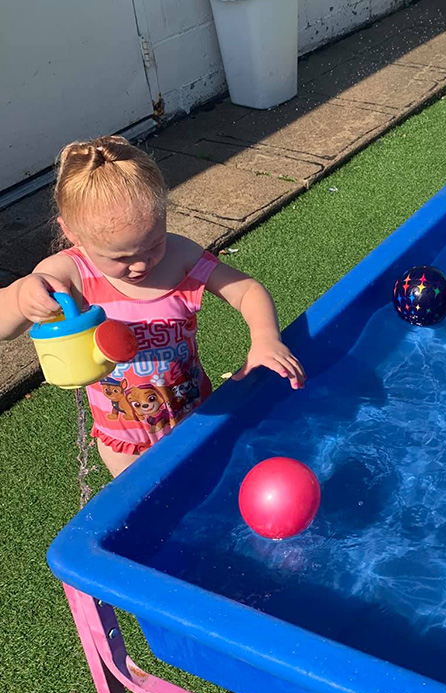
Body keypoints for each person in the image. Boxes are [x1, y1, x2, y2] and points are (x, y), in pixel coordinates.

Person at [0, 136, 305, 476]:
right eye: (121, 257)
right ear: (71, 233)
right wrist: (22, 296)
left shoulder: (180, 257)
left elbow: (247, 291)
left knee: (214, 488)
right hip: (124, 443)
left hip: (199, 418)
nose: (141, 265)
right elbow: (5, 326)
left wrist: (265, 338)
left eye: (153, 244)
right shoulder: (70, 273)